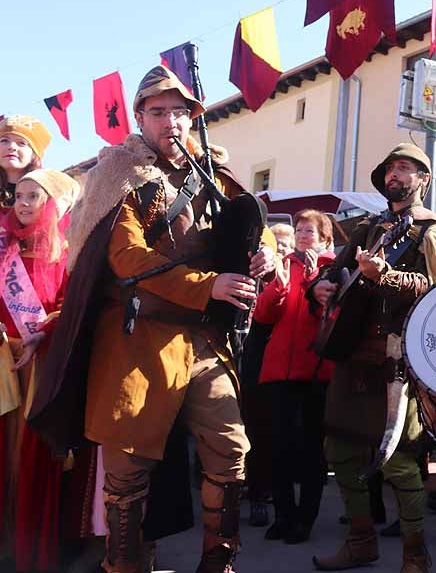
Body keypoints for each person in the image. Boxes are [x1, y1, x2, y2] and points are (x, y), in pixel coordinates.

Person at [28, 65, 277, 573]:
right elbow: (127, 258)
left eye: (180, 112)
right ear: (139, 118)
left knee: (230, 453)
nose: (171, 121)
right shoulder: (118, 174)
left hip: (204, 339)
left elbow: (254, 223)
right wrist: (207, 286)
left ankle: (219, 563)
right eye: (158, 112)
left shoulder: (213, 173)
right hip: (136, 338)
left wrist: (265, 252)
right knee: (127, 471)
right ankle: (125, 566)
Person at [310, 143, 436, 573]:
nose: (395, 174)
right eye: (390, 168)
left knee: (398, 461)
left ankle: (415, 555)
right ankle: (361, 543)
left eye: (405, 167)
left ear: (423, 179)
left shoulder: (434, 232)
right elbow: (333, 271)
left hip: (397, 362)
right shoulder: (368, 228)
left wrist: (389, 277)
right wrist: (319, 286)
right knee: (340, 451)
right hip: (353, 356)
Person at [0, 169, 78, 571]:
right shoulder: (3, 246)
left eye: (34, 195)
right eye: (19, 195)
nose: (23, 203)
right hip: (2, 361)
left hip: (39, 363)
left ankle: (27, 548)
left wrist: (41, 333)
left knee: (27, 456)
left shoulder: (67, 252)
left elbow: (69, 307)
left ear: (53, 203)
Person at [253, 209, 336, 545]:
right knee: (278, 447)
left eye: (309, 231)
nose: (302, 235)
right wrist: (279, 287)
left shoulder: (334, 269)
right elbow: (263, 315)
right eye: (299, 229)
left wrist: (314, 279)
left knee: (311, 448)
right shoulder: (284, 265)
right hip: (278, 370)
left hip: (315, 370)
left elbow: (334, 316)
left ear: (325, 238)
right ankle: (284, 516)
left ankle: (305, 519)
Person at [241, 222, 295, 529]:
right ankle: (249, 490)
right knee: (247, 427)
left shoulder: (291, 276)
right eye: (279, 244)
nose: (283, 250)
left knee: (265, 431)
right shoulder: (253, 269)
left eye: (287, 245)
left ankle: (262, 493)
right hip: (247, 354)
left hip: (274, 361)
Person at [0, 115, 49, 207]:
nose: (12, 147)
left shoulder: (48, 194)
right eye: (4, 140)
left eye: (22, 143)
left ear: (34, 154)